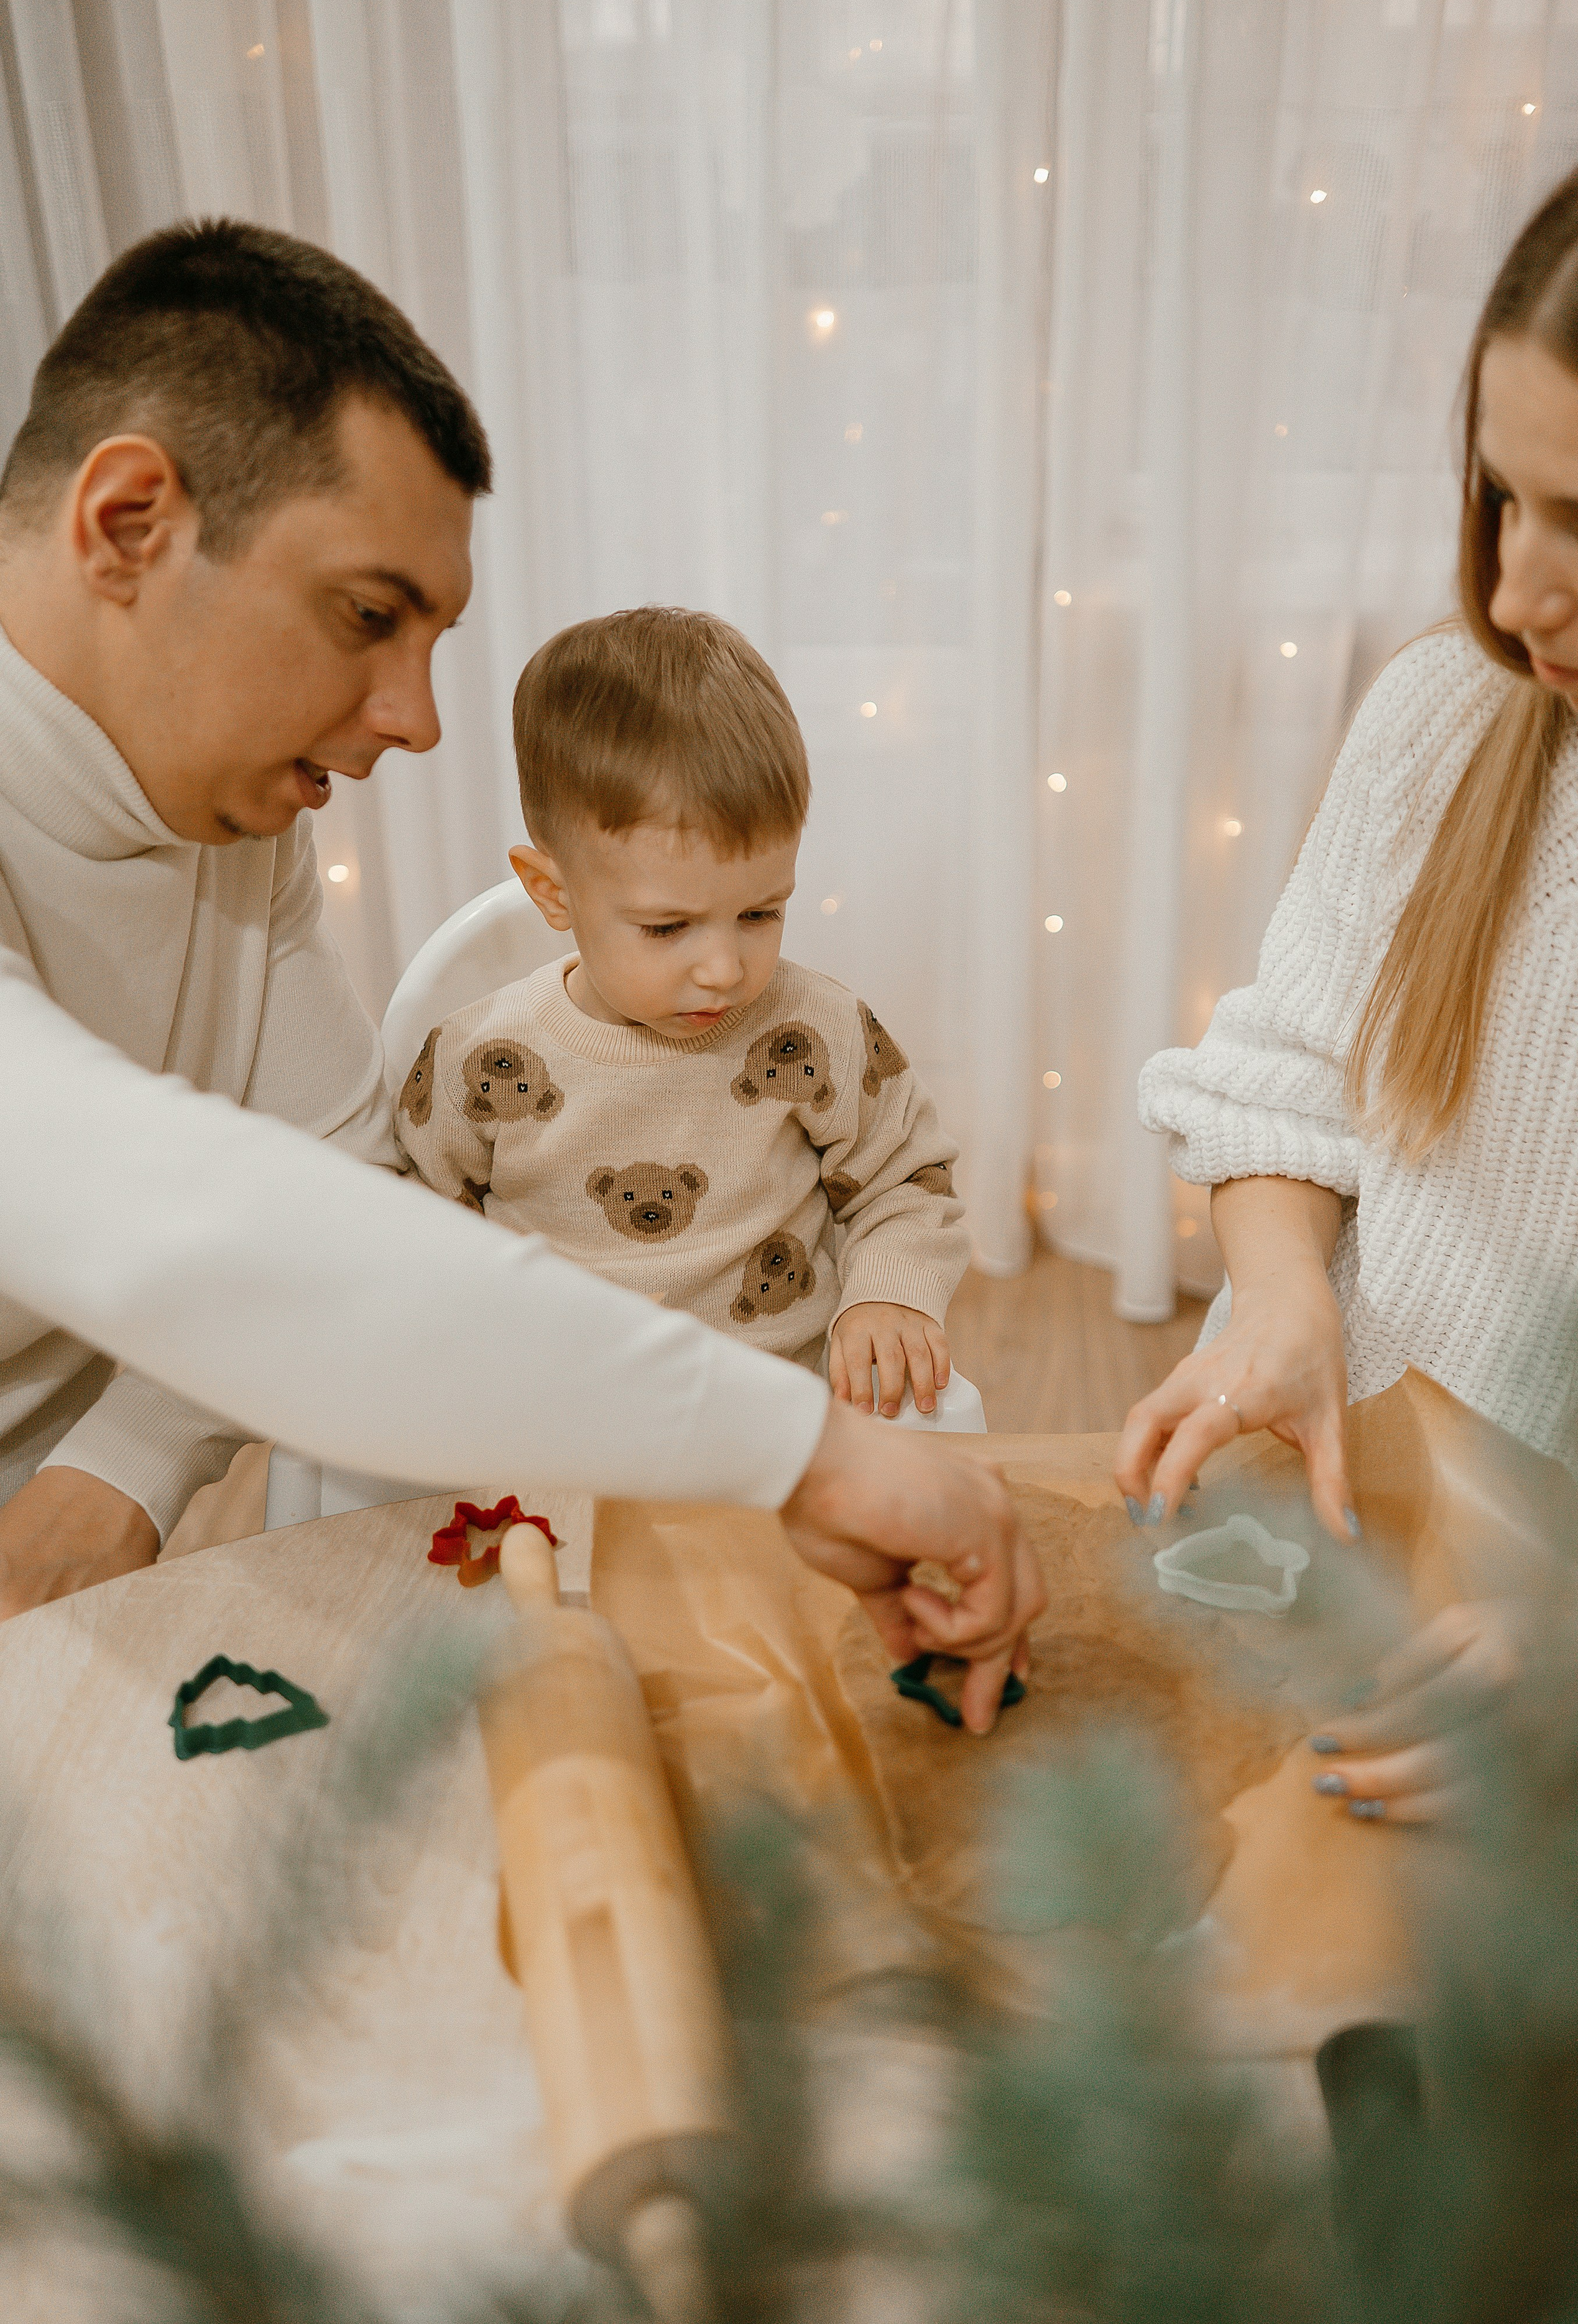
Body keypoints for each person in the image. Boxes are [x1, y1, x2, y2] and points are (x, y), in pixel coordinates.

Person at [0, 218, 1042, 1730]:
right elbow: (162, 1204)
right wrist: (807, 1454)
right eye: (368, 617)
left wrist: (119, 1467)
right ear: (129, 522)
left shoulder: (221, 814)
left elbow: (332, 1196)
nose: (416, 720)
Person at [1115, 153, 1578, 1812]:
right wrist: (1288, 1297)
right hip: (1368, 1541)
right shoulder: (1444, 713)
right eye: (1503, 498)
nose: (1520, 593)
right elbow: (1289, 1077)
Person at [395, 607, 969, 1420]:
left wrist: (889, 1294)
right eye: (668, 928)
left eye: (762, 913)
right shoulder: (481, 1060)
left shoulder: (820, 1032)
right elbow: (411, 1225)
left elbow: (906, 1180)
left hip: (786, 1422)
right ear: (553, 894)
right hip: (554, 1424)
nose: (725, 969)